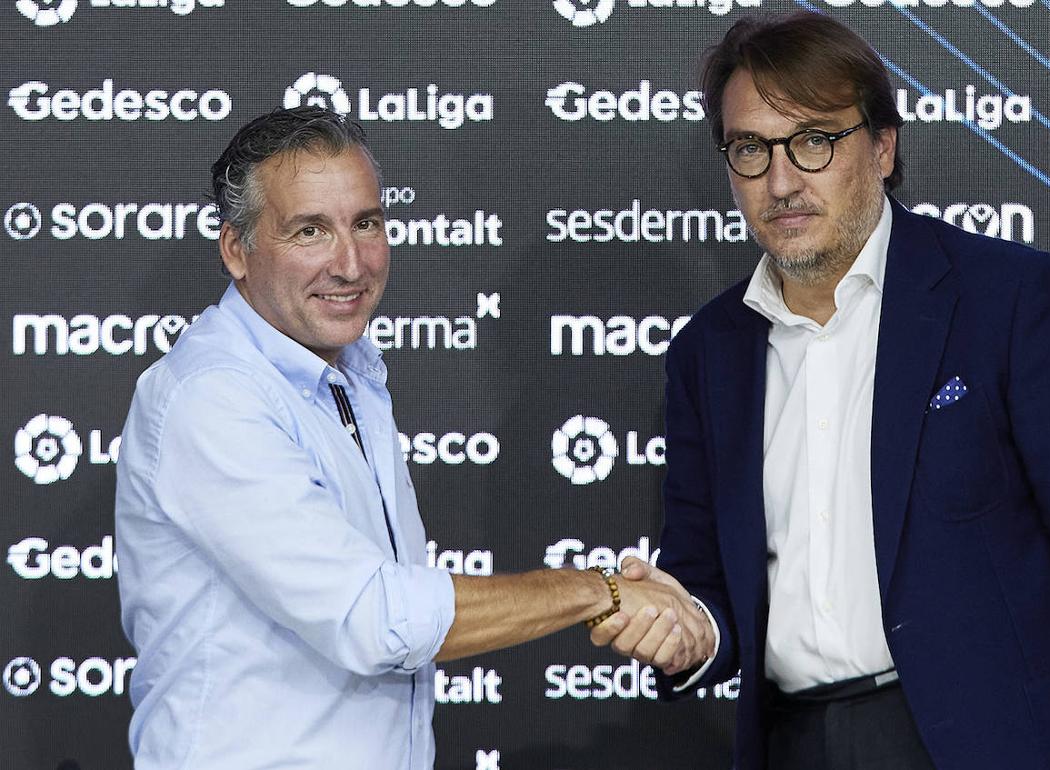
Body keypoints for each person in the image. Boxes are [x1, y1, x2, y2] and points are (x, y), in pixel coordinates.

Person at [591, 11, 1050, 770]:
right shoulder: (709, 353)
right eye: (750, 149)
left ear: (881, 146)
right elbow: (705, 584)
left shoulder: (1013, 301)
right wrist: (687, 631)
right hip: (789, 744)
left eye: (813, 139)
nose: (781, 180)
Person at [113, 106, 713, 769]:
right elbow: (375, 618)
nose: (349, 263)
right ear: (236, 249)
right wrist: (600, 590)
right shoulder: (214, 396)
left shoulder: (349, 371)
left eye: (365, 223)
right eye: (309, 230)